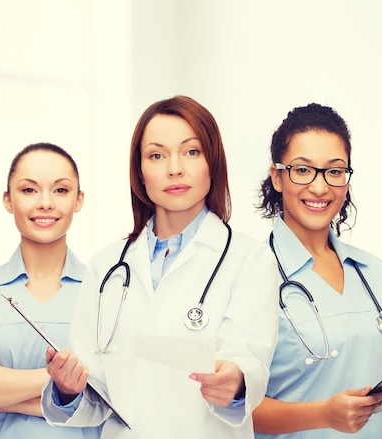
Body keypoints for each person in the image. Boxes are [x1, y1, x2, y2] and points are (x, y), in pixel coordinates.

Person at [41, 95, 279, 438]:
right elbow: (95, 397)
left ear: (213, 161)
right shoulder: (105, 267)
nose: (174, 168)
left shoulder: (249, 259)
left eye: (191, 151)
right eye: (156, 155)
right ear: (140, 171)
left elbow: (249, 364)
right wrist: (66, 388)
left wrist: (236, 383)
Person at [252, 103, 382, 438]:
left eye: (335, 171)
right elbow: (236, 407)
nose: (320, 187)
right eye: (303, 170)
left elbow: (380, 366)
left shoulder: (374, 272)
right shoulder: (249, 276)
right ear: (278, 177)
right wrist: (324, 414)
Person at [0, 143, 101, 439]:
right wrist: (62, 380)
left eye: (61, 190)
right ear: (8, 201)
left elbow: (112, 394)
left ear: (79, 199)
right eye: (29, 190)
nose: (45, 203)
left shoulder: (104, 290)